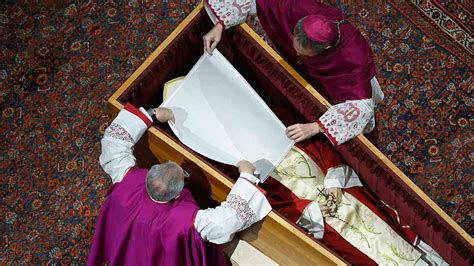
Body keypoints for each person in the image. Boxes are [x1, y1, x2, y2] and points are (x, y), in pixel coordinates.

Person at [87, 103, 271, 265]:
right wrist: (247, 175)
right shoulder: (187, 221)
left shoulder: (127, 180)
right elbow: (229, 220)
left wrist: (152, 114)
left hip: (133, 244)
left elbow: (114, 143)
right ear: (177, 195)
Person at [202, 0, 384, 146]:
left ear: (325, 48)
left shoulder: (355, 57)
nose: (297, 53)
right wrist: (219, 26)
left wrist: (315, 127)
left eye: (304, 53)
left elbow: (360, 107)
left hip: (336, 82)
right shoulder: (298, 7)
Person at [259, 136, 447, 265]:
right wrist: (313, 209)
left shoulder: (280, 120)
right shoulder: (240, 165)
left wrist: (333, 183)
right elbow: (268, 204)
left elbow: (321, 145)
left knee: (394, 236)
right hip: (325, 223)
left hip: (345, 191)